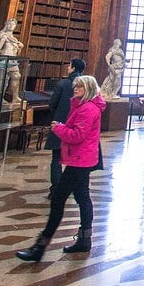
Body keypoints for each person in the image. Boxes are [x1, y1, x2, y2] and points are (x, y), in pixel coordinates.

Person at [16, 75, 105, 261]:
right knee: (82, 197)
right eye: (75, 86)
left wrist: (59, 129)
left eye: (79, 87)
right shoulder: (85, 106)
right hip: (81, 158)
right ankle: (84, 240)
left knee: (58, 199)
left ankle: (40, 246)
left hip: (80, 159)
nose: (75, 89)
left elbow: (78, 135)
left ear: (87, 88)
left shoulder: (87, 108)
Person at [45, 58, 84, 196]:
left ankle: (56, 190)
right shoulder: (87, 86)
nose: (68, 68)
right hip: (78, 127)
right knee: (76, 159)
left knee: (56, 158)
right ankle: (74, 188)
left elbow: (52, 104)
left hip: (60, 124)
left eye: (69, 66)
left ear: (73, 68)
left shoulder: (63, 84)